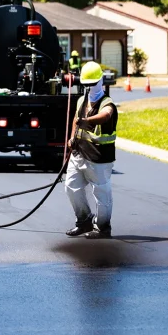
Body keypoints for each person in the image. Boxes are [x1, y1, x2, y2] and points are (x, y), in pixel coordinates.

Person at [65, 61, 118, 239]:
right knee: (71, 187)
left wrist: (89, 121)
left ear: (101, 82)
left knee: (101, 194)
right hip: (79, 154)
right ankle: (84, 220)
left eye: (92, 84)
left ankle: (103, 227)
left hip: (99, 158)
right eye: (86, 85)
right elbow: (75, 119)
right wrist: (72, 138)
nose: (89, 88)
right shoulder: (82, 100)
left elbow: (106, 116)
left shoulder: (107, 103)